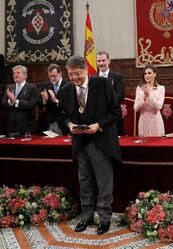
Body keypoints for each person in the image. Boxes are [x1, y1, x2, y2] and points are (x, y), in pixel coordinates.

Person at [59, 55, 121, 235]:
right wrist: (69, 125)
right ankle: (86, 216)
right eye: (70, 75)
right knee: (84, 181)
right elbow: (62, 115)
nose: (74, 79)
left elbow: (115, 112)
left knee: (103, 180)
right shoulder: (65, 90)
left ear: (86, 70)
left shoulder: (102, 84)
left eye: (77, 74)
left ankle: (104, 217)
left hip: (100, 141)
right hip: (79, 143)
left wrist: (98, 125)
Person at [1, 65, 38, 136]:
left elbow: (32, 104)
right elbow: (3, 104)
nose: (15, 75)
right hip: (11, 124)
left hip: (26, 125)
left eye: (18, 73)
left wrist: (16, 101)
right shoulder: (9, 87)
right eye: (14, 73)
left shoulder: (32, 87)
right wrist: (10, 102)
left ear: (25, 75)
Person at [96, 51, 125, 135]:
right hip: (98, 118)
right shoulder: (92, 78)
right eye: (99, 61)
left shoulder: (117, 77)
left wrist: (104, 99)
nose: (101, 63)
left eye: (103, 60)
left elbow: (120, 96)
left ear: (109, 61)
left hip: (114, 116)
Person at [133, 64, 165, 137]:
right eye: (145, 73)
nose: (147, 75)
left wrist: (149, 95)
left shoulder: (161, 88)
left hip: (156, 122)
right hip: (143, 122)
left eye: (149, 73)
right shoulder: (139, 88)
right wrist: (143, 99)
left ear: (155, 74)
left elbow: (159, 106)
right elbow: (135, 108)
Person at [38, 64, 69, 135]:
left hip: (63, 122)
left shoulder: (68, 85)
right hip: (49, 122)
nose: (52, 79)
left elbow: (70, 105)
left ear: (60, 73)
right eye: (50, 76)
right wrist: (44, 100)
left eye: (54, 76)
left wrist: (56, 100)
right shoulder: (46, 85)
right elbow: (38, 104)